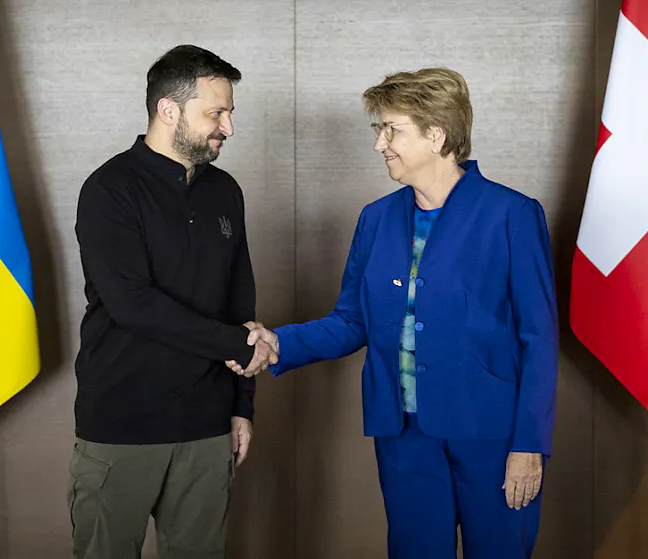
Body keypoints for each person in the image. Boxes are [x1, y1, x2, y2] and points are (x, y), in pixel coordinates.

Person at [231, 67, 558, 559]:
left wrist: (529, 446)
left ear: (437, 134)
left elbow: (539, 338)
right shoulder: (376, 219)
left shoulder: (512, 215)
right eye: (377, 130)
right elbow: (352, 320)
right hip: (403, 435)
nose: (380, 143)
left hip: (492, 437)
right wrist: (281, 343)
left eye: (392, 130)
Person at [68, 44, 277, 559]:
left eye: (229, 113)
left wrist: (240, 407)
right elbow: (132, 303)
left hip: (207, 429)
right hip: (121, 427)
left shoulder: (225, 191)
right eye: (216, 113)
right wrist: (237, 343)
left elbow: (239, 300)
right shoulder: (109, 190)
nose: (227, 127)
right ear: (168, 109)